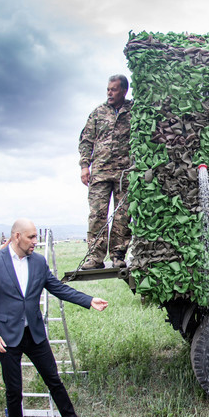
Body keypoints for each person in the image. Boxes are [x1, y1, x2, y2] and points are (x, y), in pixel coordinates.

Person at [0, 219, 109, 417]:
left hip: (34, 333)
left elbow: (58, 288)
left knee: (54, 379)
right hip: (6, 336)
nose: (35, 242)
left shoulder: (38, 261)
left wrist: (88, 300)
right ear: (17, 236)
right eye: (31, 237)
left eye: (36, 237)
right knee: (14, 388)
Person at [78, 74, 133, 270]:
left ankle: (118, 255)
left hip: (124, 173)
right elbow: (86, 140)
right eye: (108, 89)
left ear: (124, 91)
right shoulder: (98, 113)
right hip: (100, 172)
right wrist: (85, 166)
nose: (109, 93)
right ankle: (95, 257)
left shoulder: (133, 111)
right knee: (97, 215)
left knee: (122, 217)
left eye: (114, 89)